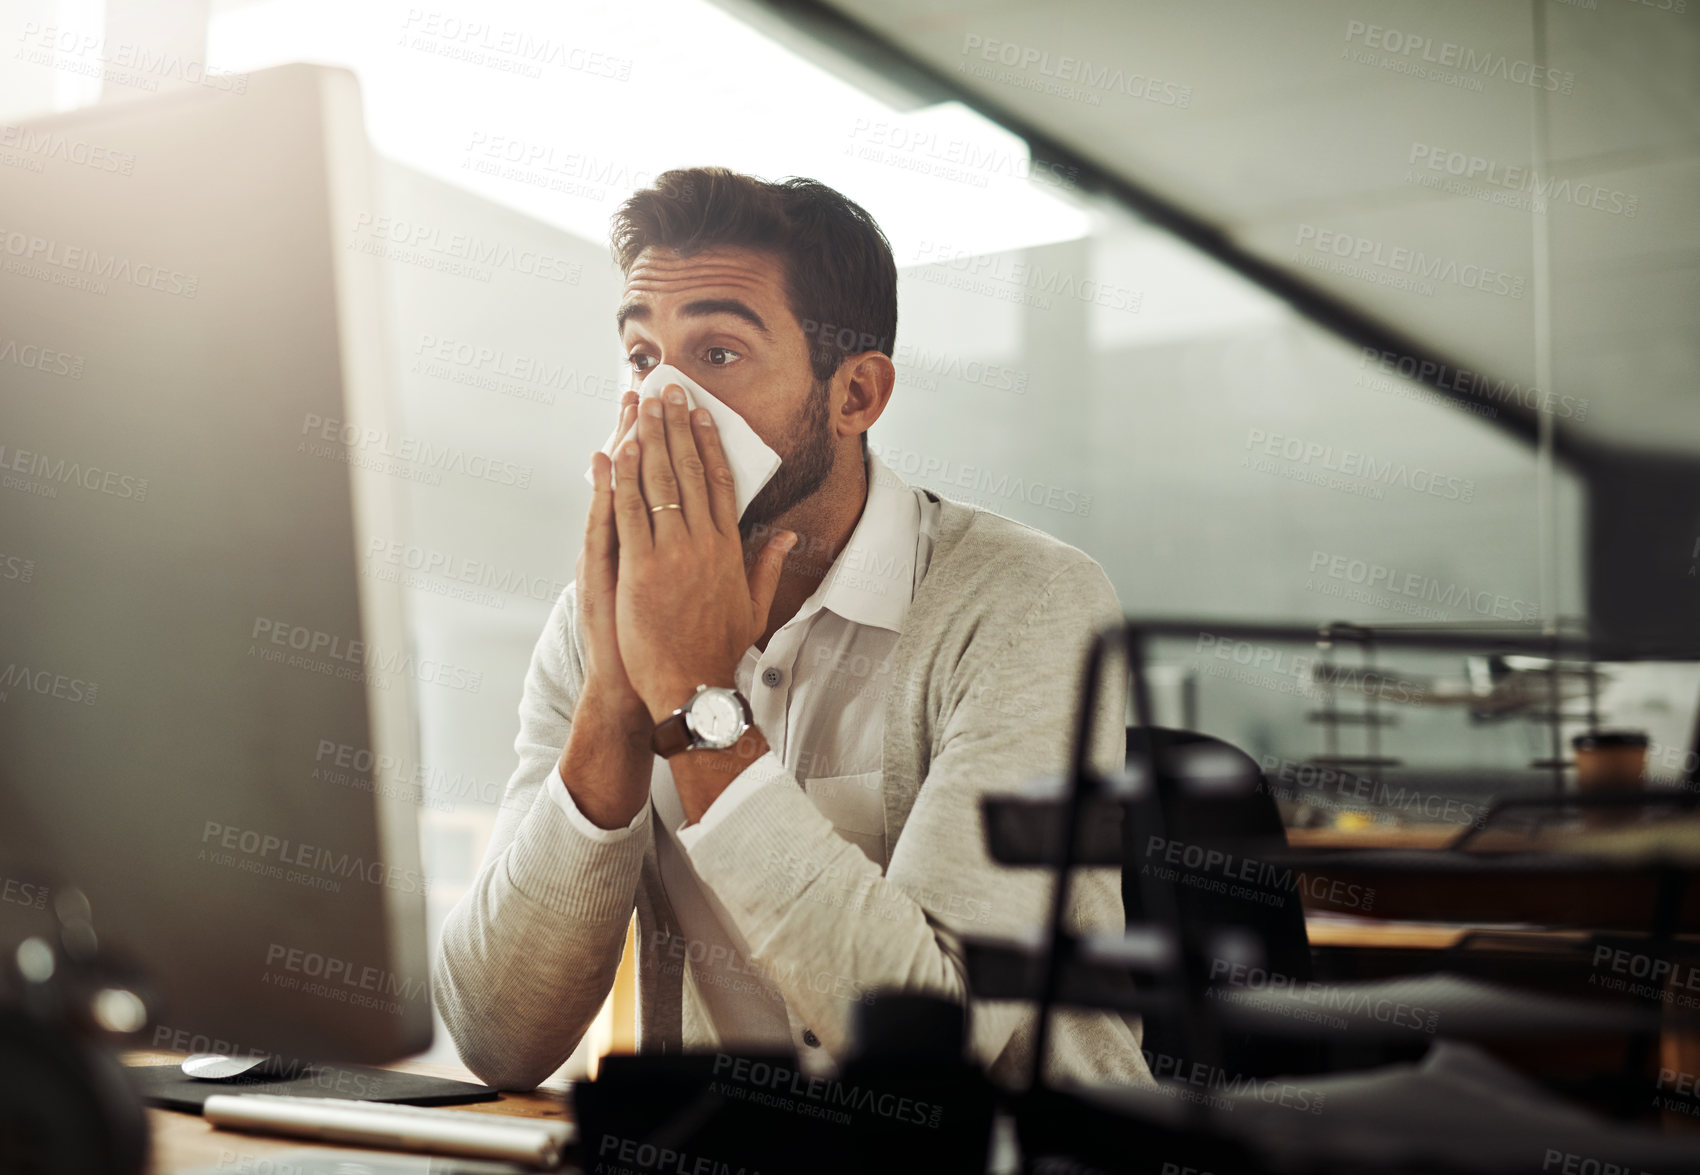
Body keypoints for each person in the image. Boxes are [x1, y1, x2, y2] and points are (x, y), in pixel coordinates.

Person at [433, 166, 1148, 1091]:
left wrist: (696, 709)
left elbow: (934, 1045)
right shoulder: (603, 617)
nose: (664, 405)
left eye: (719, 355)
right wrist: (617, 694)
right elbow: (499, 1034)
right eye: (645, 358)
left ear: (856, 395)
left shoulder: (1028, 600)